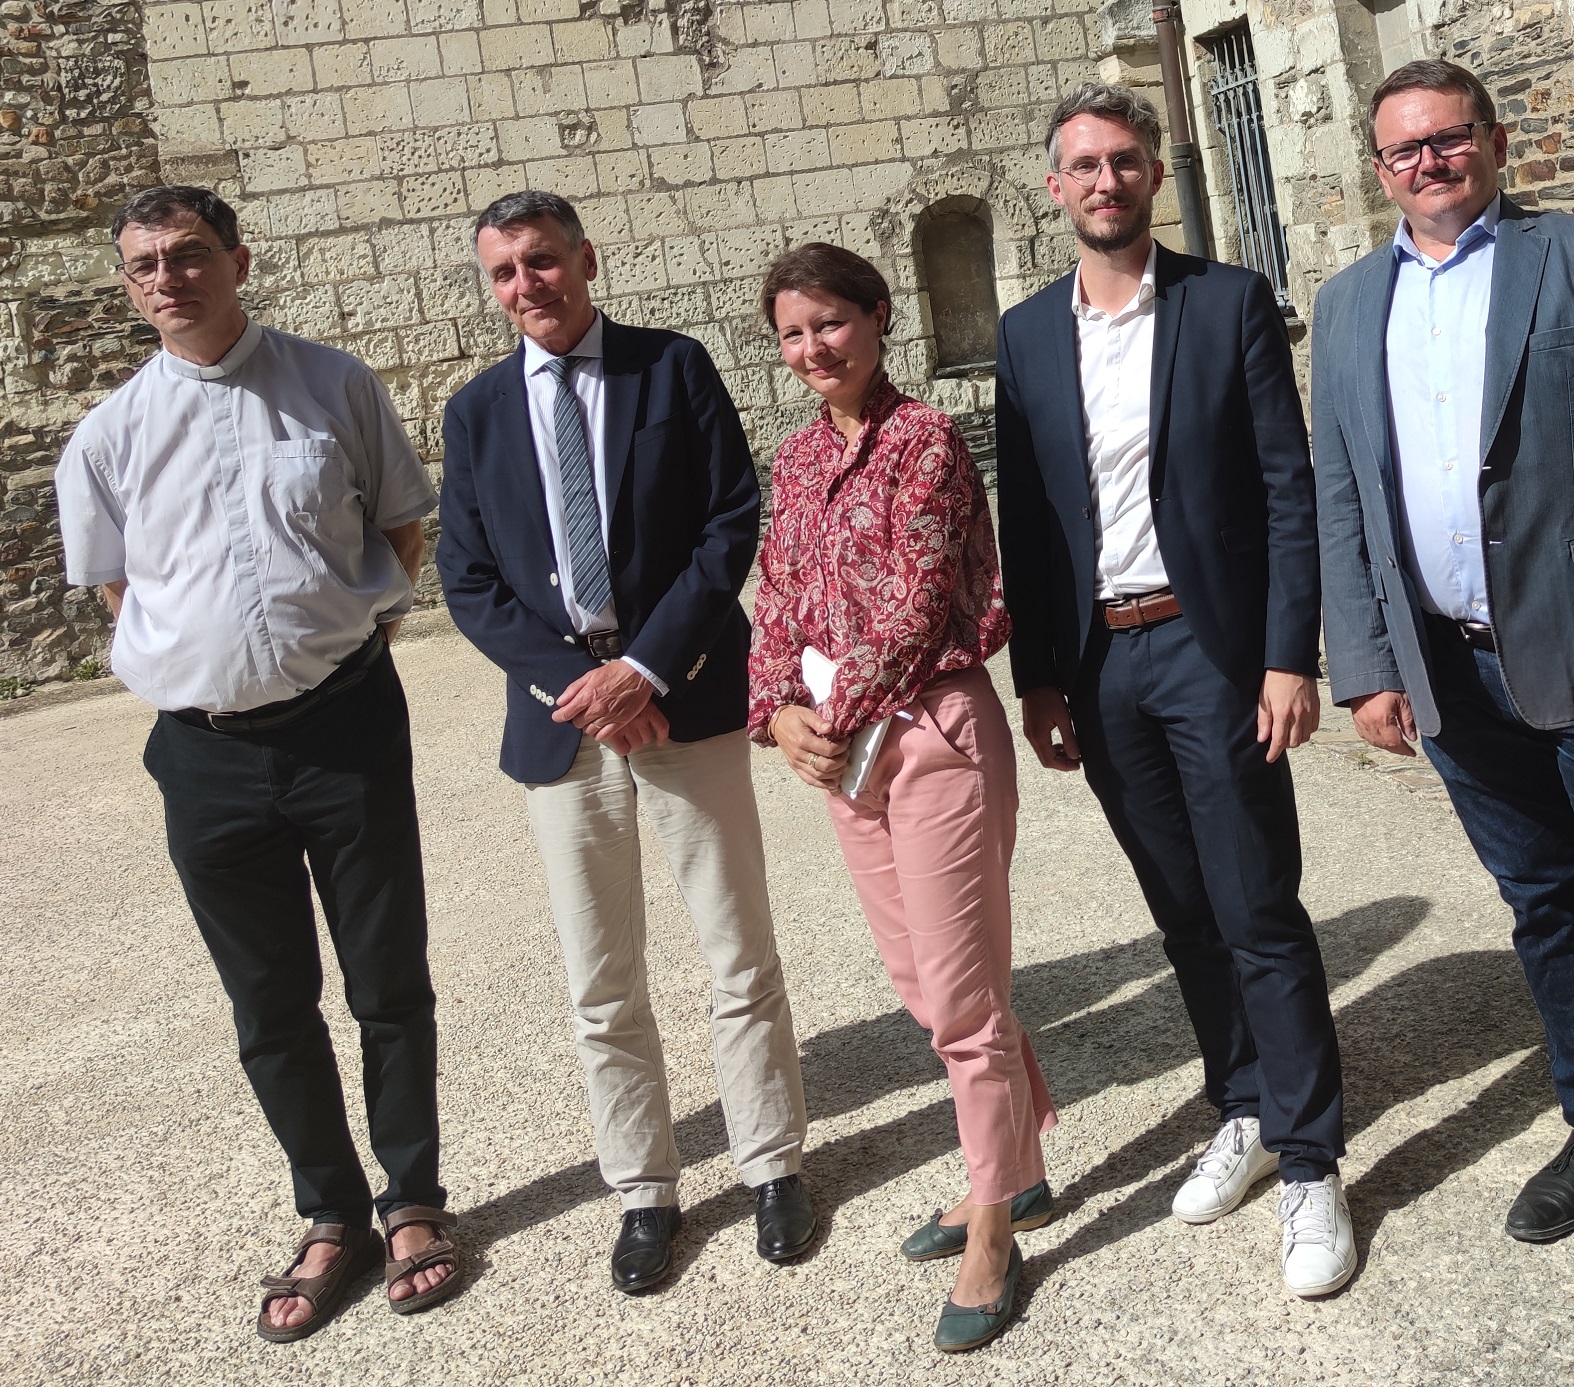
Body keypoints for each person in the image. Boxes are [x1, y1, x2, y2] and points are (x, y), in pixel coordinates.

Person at [54, 185, 459, 1341]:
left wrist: (333, 643)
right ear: (128, 285)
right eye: (145, 265)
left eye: (188, 255)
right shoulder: (108, 437)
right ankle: (331, 1213)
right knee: (269, 1002)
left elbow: (400, 528)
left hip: (346, 727)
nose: (167, 279)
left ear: (237, 259)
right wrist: (218, 668)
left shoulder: (334, 385)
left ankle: (413, 1199)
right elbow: (123, 590)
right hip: (207, 757)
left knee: (388, 980)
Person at [1309, 58, 1574, 1243]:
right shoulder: (1345, 305)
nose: (1429, 162)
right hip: (1449, 668)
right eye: (1405, 149)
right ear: (1380, 169)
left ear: (1491, 139)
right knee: (1542, 904)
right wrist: (1365, 664)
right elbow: (1341, 491)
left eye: (1448, 138)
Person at [993, 82, 1354, 1298]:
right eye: (1085, 165)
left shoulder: (1226, 301)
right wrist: (1038, 676)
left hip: (1210, 649)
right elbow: (1028, 518)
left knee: (1257, 902)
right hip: (1101, 665)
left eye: (1125, 160)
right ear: (1056, 187)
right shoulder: (1026, 335)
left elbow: (1287, 486)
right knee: (1183, 911)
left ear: (1153, 173)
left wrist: (1288, 655)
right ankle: (1244, 1104)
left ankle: (1312, 1159)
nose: (1106, 181)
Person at [436, 190, 815, 1293]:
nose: (527, 286)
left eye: (542, 260)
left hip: (682, 695)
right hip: (564, 726)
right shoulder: (477, 412)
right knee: (600, 977)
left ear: (586, 259)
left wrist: (644, 668)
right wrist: (587, 689)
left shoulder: (671, 368)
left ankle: (772, 1164)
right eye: (505, 272)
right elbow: (467, 578)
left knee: (737, 949)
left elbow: (729, 521)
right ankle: (645, 1188)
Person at [748, 243, 1057, 1352]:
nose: (812, 348)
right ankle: (1013, 1168)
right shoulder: (794, 460)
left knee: (965, 1001)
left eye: (830, 323)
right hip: (845, 753)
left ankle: (994, 1226)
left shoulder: (925, 440)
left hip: (930, 734)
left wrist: (827, 716)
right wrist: (776, 709)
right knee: (925, 989)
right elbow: (777, 595)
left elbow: (918, 602)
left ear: (879, 317)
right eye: (792, 333)